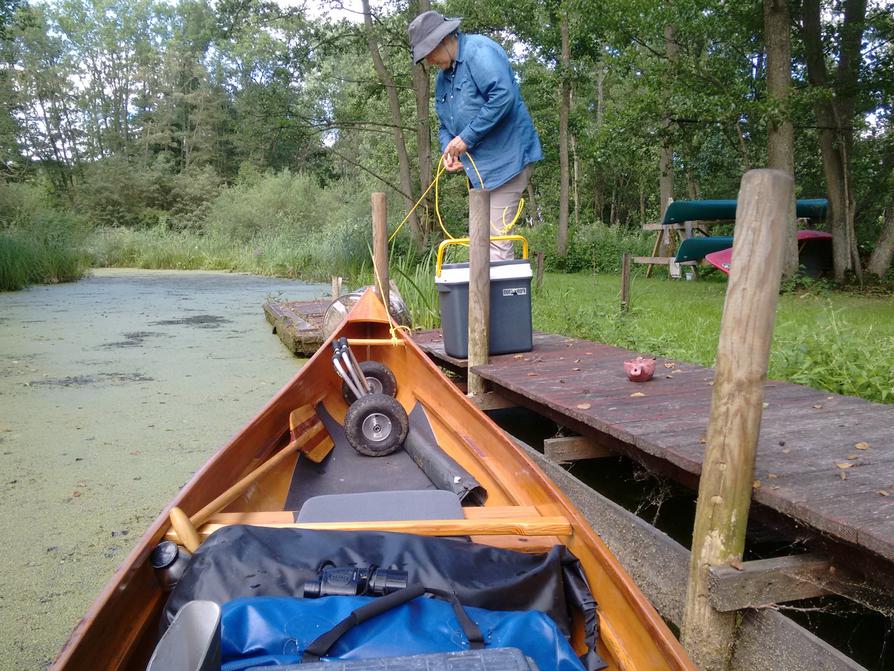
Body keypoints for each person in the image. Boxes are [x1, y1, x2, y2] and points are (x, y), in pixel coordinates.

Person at [408, 10, 542, 261]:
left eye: (429, 54)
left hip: (508, 162)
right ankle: (480, 301)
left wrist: (467, 138)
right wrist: (448, 148)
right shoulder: (442, 79)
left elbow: (503, 97)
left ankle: (501, 300)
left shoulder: (479, 52)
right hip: (479, 172)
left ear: (443, 40)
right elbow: (445, 123)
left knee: (496, 243)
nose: (429, 62)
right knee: (480, 243)